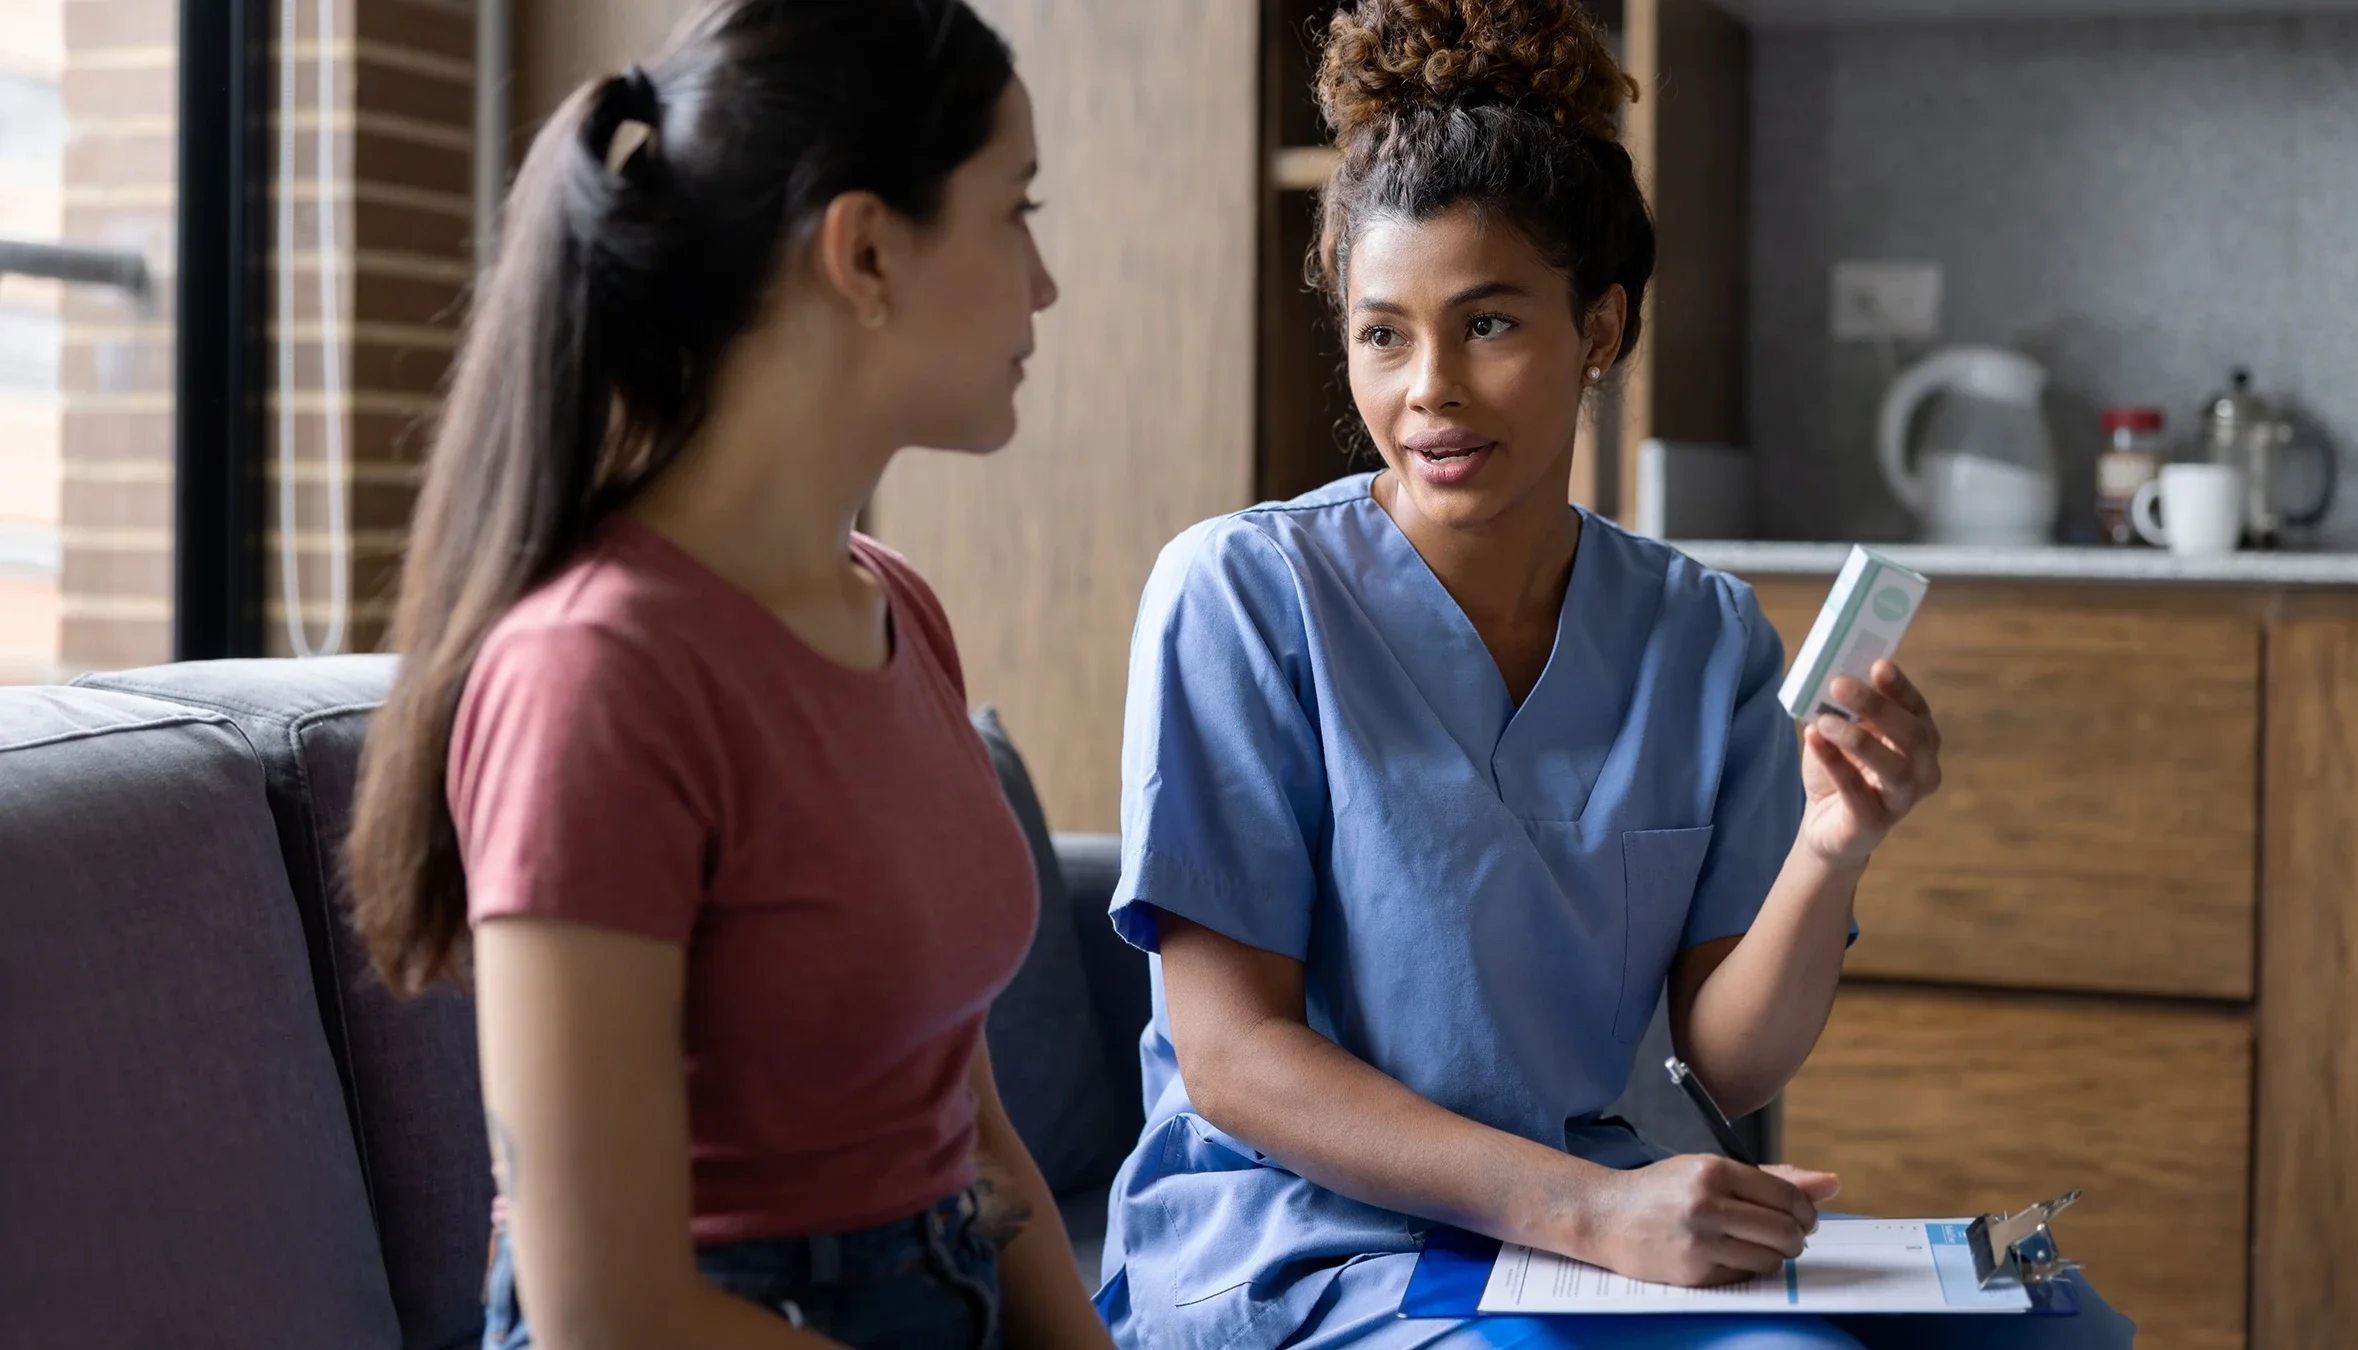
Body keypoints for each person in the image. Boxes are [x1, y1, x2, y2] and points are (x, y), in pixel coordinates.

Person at [1093, 3, 2134, 1348]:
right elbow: (1233, 1059)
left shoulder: (1701, 633)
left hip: (1593, 1219)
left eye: (1487, 324)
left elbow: (1733, 1053)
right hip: (1321, 1235)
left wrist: (1832, 845)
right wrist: (1589, 1209)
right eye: (1382, 335)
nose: (1429, 391)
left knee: (2064, 1326)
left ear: (1600, 326)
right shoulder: (1242, 596)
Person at [342, 4, 1114, 1348]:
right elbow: (607, 1314)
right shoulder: (597, 674)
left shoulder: (898, 609)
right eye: (1015, 210)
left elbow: (971, 1138)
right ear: (865, 249)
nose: (1044, 282)